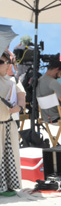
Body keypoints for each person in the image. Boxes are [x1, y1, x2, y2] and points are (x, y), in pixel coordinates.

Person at [0, 51, 22, 195]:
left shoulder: (12, 81)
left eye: (5, 62)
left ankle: (7, 186)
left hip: (8, 123)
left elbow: (21, 96)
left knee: (10, 157)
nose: (5, 65)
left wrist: (18, 107)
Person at [36, 56, 61, 122]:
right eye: (60, 73)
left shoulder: (39, 80)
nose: (60, 77)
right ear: (56, 69)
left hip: (46, 117)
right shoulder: (54, 83)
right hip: (59, 116)